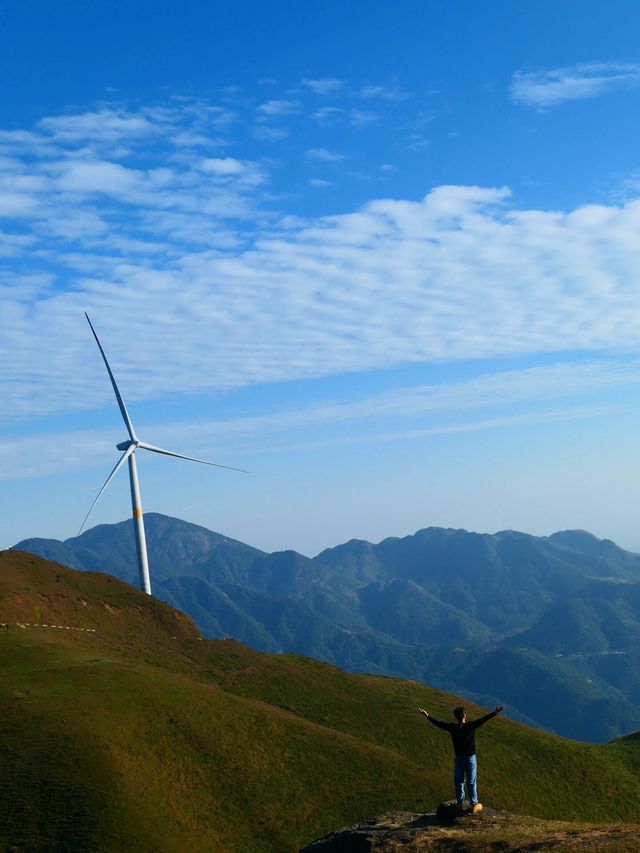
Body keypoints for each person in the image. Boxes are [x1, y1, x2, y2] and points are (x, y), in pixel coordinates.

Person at [418, 704, 504, 814]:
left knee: (459, 781)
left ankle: (459, 803)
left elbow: (439, 724)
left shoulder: (453, 728)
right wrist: (494, 713)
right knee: (471, 781)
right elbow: (482, 720)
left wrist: (427, 716)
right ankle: (474, 804)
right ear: (464, 716)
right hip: (470, 758)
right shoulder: (470, 726)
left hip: (459, 759)